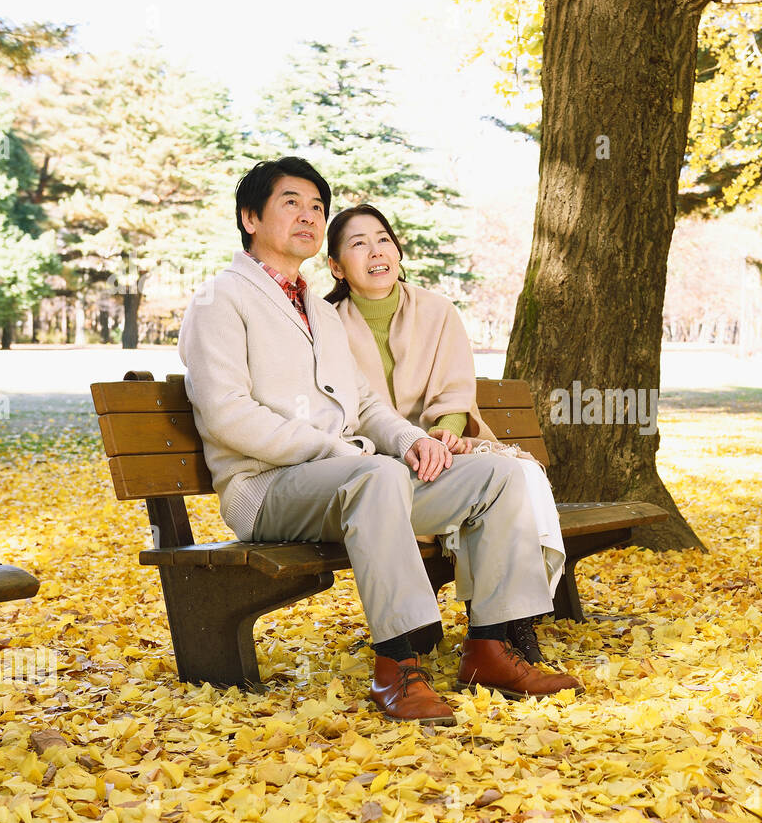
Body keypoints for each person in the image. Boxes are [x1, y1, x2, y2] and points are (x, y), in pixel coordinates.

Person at [177, 157, 582, 726]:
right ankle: (398, 664)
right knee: (377, 473)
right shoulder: (219, 300)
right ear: (250, 217)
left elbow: (365, 404)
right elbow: (226, 414)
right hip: (266, 488)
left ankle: (489, 647)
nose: (309, 216)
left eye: (318, 206)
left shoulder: (317, 308)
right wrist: (341, 453)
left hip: (356, 481)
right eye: (291, 202)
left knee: (499, 477)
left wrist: (414, 440)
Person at [323, 204, 565, 664]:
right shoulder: (324, 323)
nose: (376, 252)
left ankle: (509, 624)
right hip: (374, 461)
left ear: (397, 249)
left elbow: (455, 393)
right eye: (358, 244)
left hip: (447, 446)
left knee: (517, 475)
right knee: (463, 484)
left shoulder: (436, 310)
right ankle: (482, 626)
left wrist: (444, 434)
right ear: (336, 266)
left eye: (383, 239)